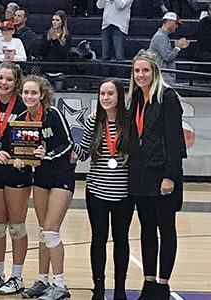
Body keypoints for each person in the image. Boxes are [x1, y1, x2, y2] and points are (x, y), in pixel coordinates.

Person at [127, 49, 186, 300]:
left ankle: (163, 284)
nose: (141, 75)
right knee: (147, 230)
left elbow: (175, 139)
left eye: (145, 70)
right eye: (137, 71)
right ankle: (148, 282)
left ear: (155, 71)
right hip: (141, 177)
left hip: (163, 174)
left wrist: (170, 175)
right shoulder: (135, 99)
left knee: (166, 229)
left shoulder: (167, 97)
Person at [10, 75, 74, 300]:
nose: (29, 96)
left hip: (61, 176)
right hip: (41, 179)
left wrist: (48, 154)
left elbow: (69, 144)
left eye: (33, 93)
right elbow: (19, 152)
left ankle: (60, 285)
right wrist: (18, 161)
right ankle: (42, 280)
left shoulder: (53, 114)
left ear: (42, 94)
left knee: (50, 231)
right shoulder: (20, 119)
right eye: (26, 93)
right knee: (43, 232)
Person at [70, 78, 133, 300]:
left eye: (110, 94)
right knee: (98, 238)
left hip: (124, 192)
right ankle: (98, 286)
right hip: (96, 190)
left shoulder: (129, 121)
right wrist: (70, 150)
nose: (105, 98)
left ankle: (120, 288)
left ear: (119, 97)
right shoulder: (93, 121)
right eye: (102, 94)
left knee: (121, 239)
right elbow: (84, 151)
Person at [0, 62, 30, 295]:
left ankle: (17, 276)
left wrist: (27, 155)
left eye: (9, 79)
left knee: (17, 226)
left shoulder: (23, 104)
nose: (3, 83)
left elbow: (35, 135)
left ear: (16, 82)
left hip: (17, 170)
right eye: (0, 77)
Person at [149, 12, 190, 85]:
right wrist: (178, 47)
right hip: (163, 77)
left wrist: (176, 47)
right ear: (170, 21)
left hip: (164, 77)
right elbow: (167, 57)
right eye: (176, 23)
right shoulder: (160, 36)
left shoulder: (163, 36)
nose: (177, 26)